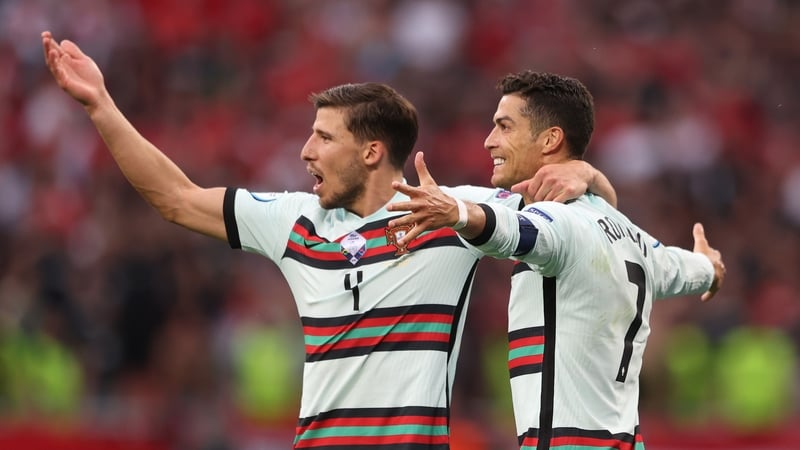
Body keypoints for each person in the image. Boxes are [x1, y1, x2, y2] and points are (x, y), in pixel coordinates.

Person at [42, 33, 619, 449]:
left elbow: (592, 230)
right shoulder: (294, 222)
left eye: (323, 137)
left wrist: (587, 176)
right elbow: (176, 198)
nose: (305, 152)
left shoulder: (449, 212)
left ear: (370, 152)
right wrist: (101, 106)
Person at [387, 71, 726, 449]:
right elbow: (693, 269)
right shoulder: (638, 240)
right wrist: (710, 268)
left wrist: (459, 216)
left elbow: (515, 231)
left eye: (504, 126)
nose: (489, 141)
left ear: (550, 139)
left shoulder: (559, 222)